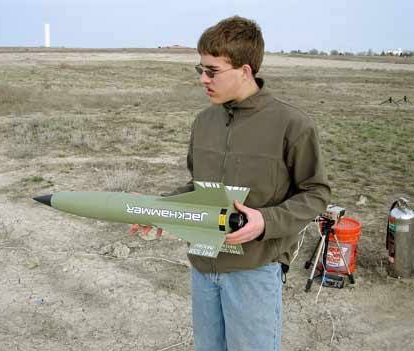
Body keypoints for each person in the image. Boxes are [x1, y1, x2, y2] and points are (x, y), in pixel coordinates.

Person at [130, 16, 331, 351]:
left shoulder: (293, 125)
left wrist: (265, 222)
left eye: (212, 71)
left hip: (254, 271)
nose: (203, 80)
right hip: (203, 268)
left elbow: (316, 193)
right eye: (200, 70)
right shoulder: (204, 121)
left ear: (245, 71)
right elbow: (199, 189)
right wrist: (160, 208)